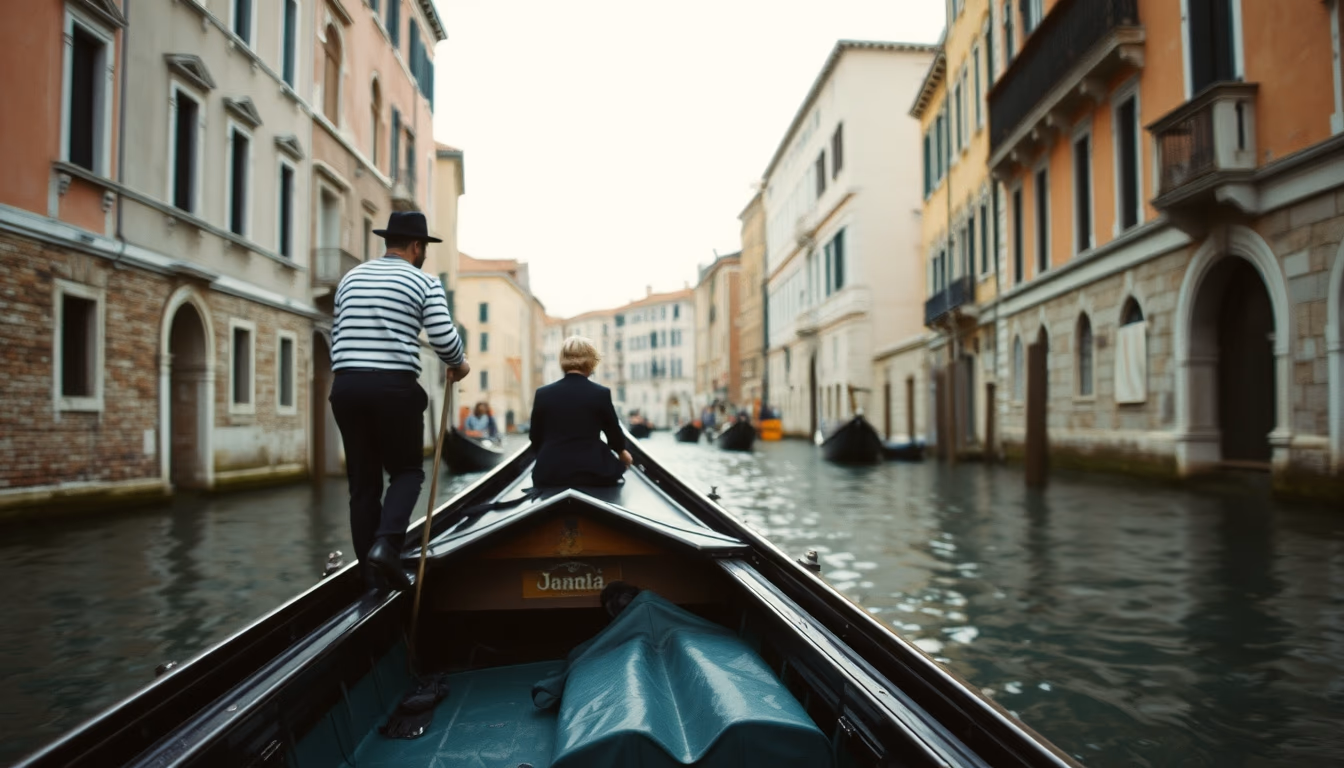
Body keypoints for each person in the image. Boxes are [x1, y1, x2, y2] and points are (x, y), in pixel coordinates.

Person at [329, 211, 469, 592]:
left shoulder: (351, 278)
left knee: (363, 482)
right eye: (423, 248)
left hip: (345, 386)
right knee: (408, 472)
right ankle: (387, 547)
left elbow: (338, 331)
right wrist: (461, 364)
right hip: (393, 386)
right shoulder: (424, 282)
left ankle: (369, 575)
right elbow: (443, 338)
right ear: (417, 246)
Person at [528, 336, 632, 487]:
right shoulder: (601, 393)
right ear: (591, 361)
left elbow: (535, 438)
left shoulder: (542, 394)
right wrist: (623, 453)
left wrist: (546, 458)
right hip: (593, 471)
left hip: (550, 473)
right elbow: (613, 434)